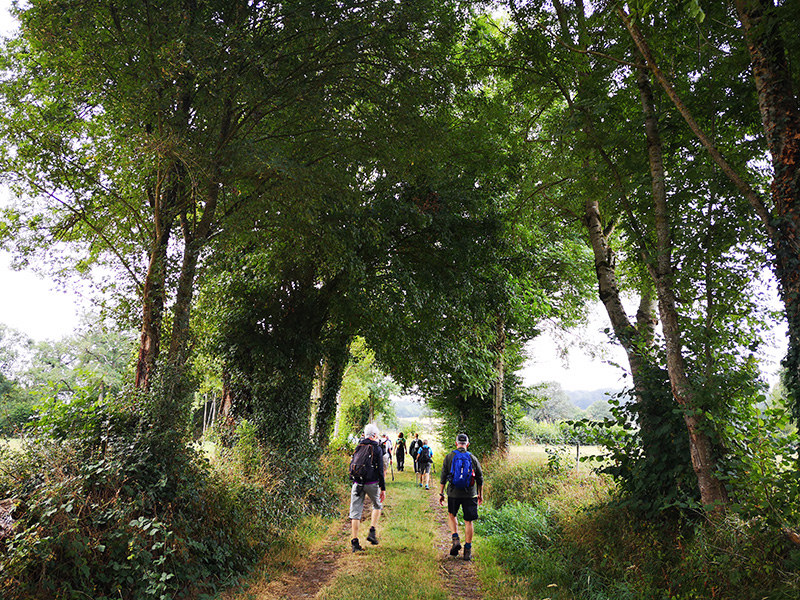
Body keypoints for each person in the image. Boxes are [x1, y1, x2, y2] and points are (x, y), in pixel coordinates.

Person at [438, 433, 483, 561]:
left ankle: (455, 539)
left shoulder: (449, 457)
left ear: (456, 443)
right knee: (469, 521)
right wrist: (480, 494)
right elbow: (480, 478)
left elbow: (443, 476)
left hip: (453, 492)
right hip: (470, 493)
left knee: (452, 515)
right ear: (467, 444)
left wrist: (441, 493)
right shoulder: (472, 458)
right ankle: (467, 550)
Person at [349, 423, 386, 552]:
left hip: (357, 483)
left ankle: (355, 542)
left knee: (355, 513)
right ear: (374, 435)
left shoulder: (358, 446)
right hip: (372, 483)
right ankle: (372, 531)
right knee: (377, 505)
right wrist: (383, 488)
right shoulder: (377, 448)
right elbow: (380, 470)